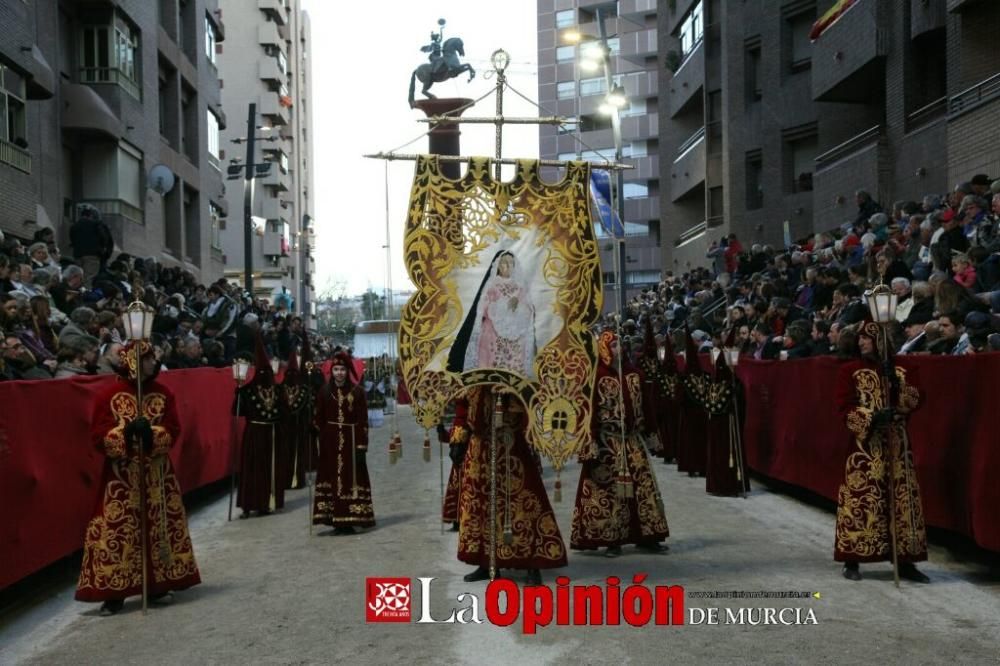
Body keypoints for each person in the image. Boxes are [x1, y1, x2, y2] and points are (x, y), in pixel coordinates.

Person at [75, 341, 201, 615]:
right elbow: (99, 435)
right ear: (132, 361)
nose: (151, 363)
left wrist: (152, 436)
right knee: (118, 529)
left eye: (152, 359)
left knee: (159, 526)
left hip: (157, 473)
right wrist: (127, 435)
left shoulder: (163, 393)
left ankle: (157, 584)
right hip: (122, 477)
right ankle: (113, 592)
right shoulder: (109, 395)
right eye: (146, 359)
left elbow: (173, 429)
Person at [834, 321, 928, 583]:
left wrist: (897, 386)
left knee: (902, 501)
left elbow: (916, 399)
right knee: (861, 498)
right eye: (860, 338)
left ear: (882, 341)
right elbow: (844, 406)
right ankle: (852, 557)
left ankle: (906, 561)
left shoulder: (903, 367)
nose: (861, 342)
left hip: (898, 444)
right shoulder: (849, 370)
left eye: (867, 338)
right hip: (865, 447)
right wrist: (872, 418)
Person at [571, 331, 669, 557]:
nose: (618, 349)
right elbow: (588, 412)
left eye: (620, 345)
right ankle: (611, 539)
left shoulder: (636, 374)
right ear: (603, 348)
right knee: (608, 492)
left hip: (632, 442)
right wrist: (589, 442)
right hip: (607, 443)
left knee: (643, 489)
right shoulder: (595, 377)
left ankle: (648, 536)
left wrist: (653, 437)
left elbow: (648, 409)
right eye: (613, 345)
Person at [458, 387, 566, 585]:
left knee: (524, 504)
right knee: (481, 505)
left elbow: (534, 401)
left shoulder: (517, 367)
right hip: (480, 447)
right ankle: (487, 562)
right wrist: (458, 437)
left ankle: (532, 563)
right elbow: (463, 406)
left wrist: (515, 392)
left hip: (511, 444)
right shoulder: (473, 374)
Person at [447, 250, 537, 378]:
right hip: (492, 334)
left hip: (516, 336)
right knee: (491, 364)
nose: (508, 266)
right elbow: (482, 309)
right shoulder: (492, 285)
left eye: (511, 263)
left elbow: (529, 311)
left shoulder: (519, 287)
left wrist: (519, 306)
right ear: (498, 266)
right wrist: (502, 305)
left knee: (513, 371)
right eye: (504, 262)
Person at [313, 351, 374, 533]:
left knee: (350, 479)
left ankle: (349, 519)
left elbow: (363, 421)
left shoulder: (358, 392)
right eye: (336, 369)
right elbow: (319, 417)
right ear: (331, 371)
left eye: (342, 369)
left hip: (351, 442)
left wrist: (361, 446)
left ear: (348, 371)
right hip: (330, 444)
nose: (339, 373)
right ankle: (334, 520)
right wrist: (314, 429)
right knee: (331, 478)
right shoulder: (324, 392)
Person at [234, 334, 287, 518]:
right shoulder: (247, 390)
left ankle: (267, 501)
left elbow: (284, 411)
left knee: (269, 469)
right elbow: (237, 412)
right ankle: (249, 504)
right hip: (254, 434)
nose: (264, 375)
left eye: (267, 371)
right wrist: (238, 394)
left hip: (272, 434)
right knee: (252, 469)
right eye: (261, 371)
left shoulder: (278, 390)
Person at [440, 397, 470, 532]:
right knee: (458, 479)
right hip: (460, 431)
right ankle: (457, 517)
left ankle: (463, 517)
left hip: (467, 432)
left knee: (464, 479)